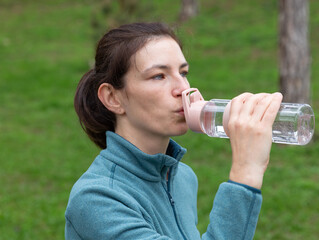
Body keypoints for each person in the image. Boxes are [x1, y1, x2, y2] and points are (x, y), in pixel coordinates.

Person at [65, 22, 283, 240]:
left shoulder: (183, 178)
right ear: (113, 98)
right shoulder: (96, 198)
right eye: (159, 76)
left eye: (183, 72)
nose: (183, 89)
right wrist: (245, 172)